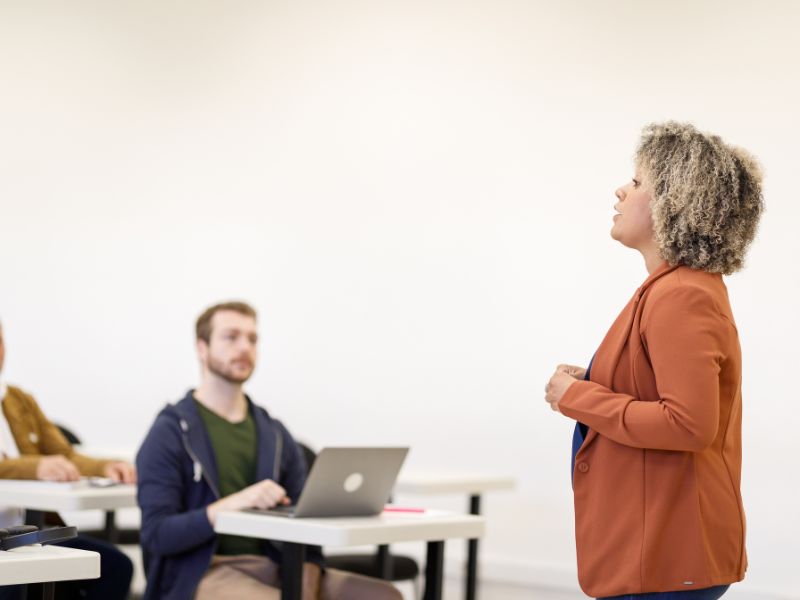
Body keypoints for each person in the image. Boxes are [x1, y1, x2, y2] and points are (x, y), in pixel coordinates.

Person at [544, 122, 764, 600]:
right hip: (660, 552)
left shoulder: (681, 294)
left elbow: (687, 424)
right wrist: (596, 379)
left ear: (675, 201)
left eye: (638, 182)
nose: (621, 191)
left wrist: (577, 397)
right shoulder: (675, 289)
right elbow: (661, 392)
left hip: (665, 556)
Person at [136, 301, 402, 600]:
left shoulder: (273, 433)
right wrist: (229, 505)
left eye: (252, 339)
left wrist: (307, 580)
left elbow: (306, 521)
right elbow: (157, 534)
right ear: (202, 347)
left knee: (384, 595)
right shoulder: (171, 431)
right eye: (231, 337)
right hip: (201, 571)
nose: (244, 347)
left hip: (278, 564)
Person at [0, 319, 135, 600]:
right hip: (10, 547)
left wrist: (104, 467)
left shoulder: (18, 400)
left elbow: (65, 454)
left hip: (27, 533)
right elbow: (37, 466)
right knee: (17, 583)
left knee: (116, 567)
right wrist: (34, 467)